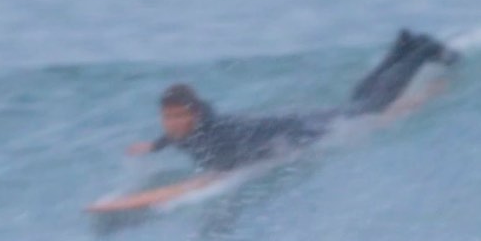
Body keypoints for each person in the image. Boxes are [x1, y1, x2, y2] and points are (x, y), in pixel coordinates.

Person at [127, 29, 459, 173]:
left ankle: (421, 52)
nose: (171, 124)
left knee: (369, 108)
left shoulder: (211, 133)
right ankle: (402, 47)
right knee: (357, 102)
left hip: (303, 130)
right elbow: (175, 138)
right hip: (292, 122)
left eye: (177, 116)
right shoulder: (189, 131)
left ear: (195, 113)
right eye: (167, 117)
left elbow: (242, 153)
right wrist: (153, 146)